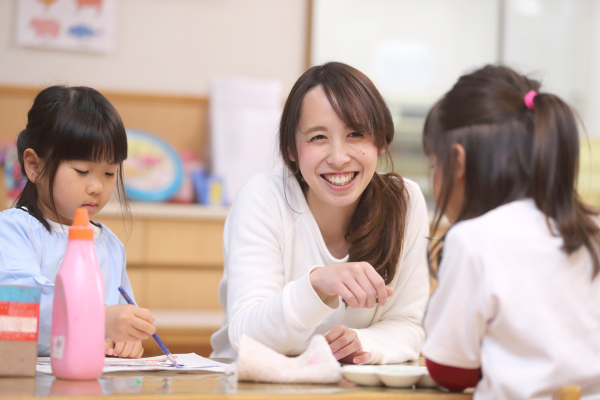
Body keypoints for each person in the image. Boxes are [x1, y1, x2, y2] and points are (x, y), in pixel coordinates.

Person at [210, 62, 430, 364]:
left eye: (355, 134)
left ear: (380, 141)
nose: (339, 158)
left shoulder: (404, 202)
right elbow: (245, 337)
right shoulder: (264, 197)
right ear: (291, 149)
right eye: (318, 138)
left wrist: (362, 342)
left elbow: (407, 325)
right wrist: (316, 285)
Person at [421, 65, 600, 398]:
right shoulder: (592, 231)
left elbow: (450, 369)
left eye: (434, 165)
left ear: (458, 162)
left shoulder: (474, 240)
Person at [0, 86, 156, 358]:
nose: (97, 186)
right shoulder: (13, 231)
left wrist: (128, 339)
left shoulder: (110, 246)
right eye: (83, 171)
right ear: (35, 165)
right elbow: (20, 303)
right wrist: (98, 317)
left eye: (109, 173)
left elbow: (118, 318)